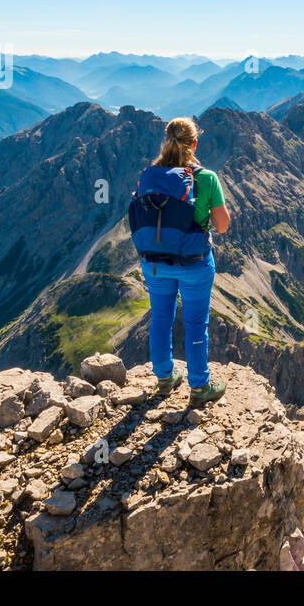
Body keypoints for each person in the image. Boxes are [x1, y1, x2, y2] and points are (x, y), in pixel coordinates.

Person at [127, 117, 231, 401]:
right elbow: (222, 225)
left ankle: (164, 378)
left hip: (155, 263)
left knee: (161, 317)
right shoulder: (206, 178)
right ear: (195, 143)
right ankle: (199, 387)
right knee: (196, 323)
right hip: (194, 263)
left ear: (166, 141)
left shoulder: (149, 176)